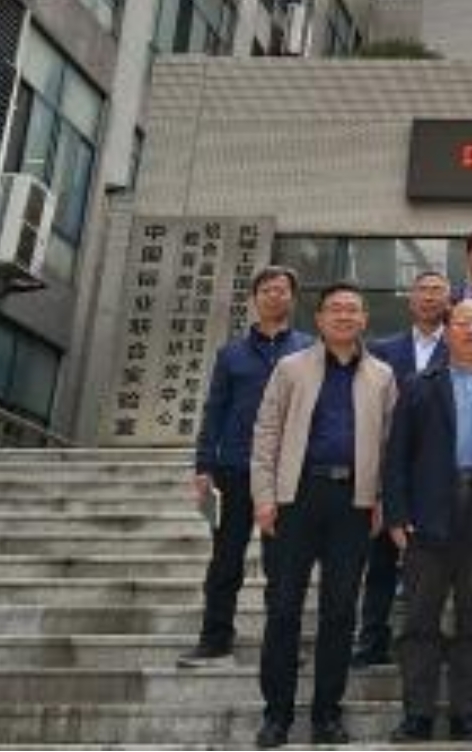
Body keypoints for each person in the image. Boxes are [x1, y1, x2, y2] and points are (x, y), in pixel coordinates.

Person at [249, 283, 398, 748]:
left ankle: (327, 714)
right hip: (296, 497)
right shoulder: (291, 367)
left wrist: (382, 499)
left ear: (365, 319)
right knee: (283, 608)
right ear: (318, 319)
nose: (344, 316)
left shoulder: (382, 376)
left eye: (353, 309)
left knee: (340, 611)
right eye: (335, 309)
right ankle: (276, 715)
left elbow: (390, 445)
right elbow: (266, 432)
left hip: (354, 502)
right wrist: (264, 496)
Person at [382, 301, 472, 743]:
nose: (470, 331)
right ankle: (418, 715)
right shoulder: (417, 386)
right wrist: (396, 512)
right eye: (461, 323)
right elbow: (397, 457)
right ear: (446, 333)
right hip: (427, 515)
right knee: (419, 622)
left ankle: (467, 713)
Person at [180, 266, 313, 668]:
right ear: (254, 298)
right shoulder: (231, 354)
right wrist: (204, 465)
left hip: (288, 472)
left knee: (284, 564)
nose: (275, 296)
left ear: (292, 298)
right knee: (225, 559)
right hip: (232, 469)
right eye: (267, 290)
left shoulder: (309, 349)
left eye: (282, 290)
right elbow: (215, 410)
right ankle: (215, 638)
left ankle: (283, 642)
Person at [352, 270, 451, 669]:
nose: (429, 297)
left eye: (437, 291)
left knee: (439, 564)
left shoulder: (464, 346)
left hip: (442, 472)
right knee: (380, 558)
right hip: (389, 464)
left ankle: (434, 639)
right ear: (410, 300)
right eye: (422, 290)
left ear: (449, 300)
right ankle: (372, 638)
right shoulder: (380, 349)